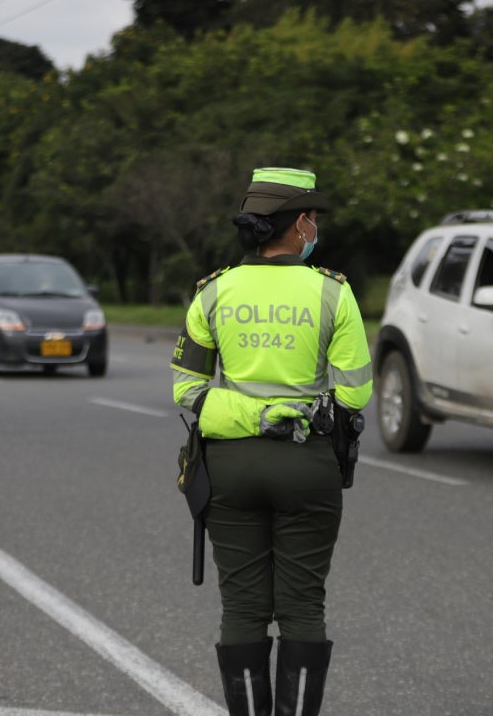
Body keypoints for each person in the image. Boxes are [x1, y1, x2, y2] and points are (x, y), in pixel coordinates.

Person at [171, 167, 373, 715]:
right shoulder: (333, 292)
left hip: (230, 467)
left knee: (242, 609)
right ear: (300, 223)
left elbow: (187, 391)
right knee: (302, 608)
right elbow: (354, 396)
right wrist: (291, 413)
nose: (316, 228)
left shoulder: (212, 293)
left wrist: (252, 416)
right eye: (314, 218)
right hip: (307, 465)